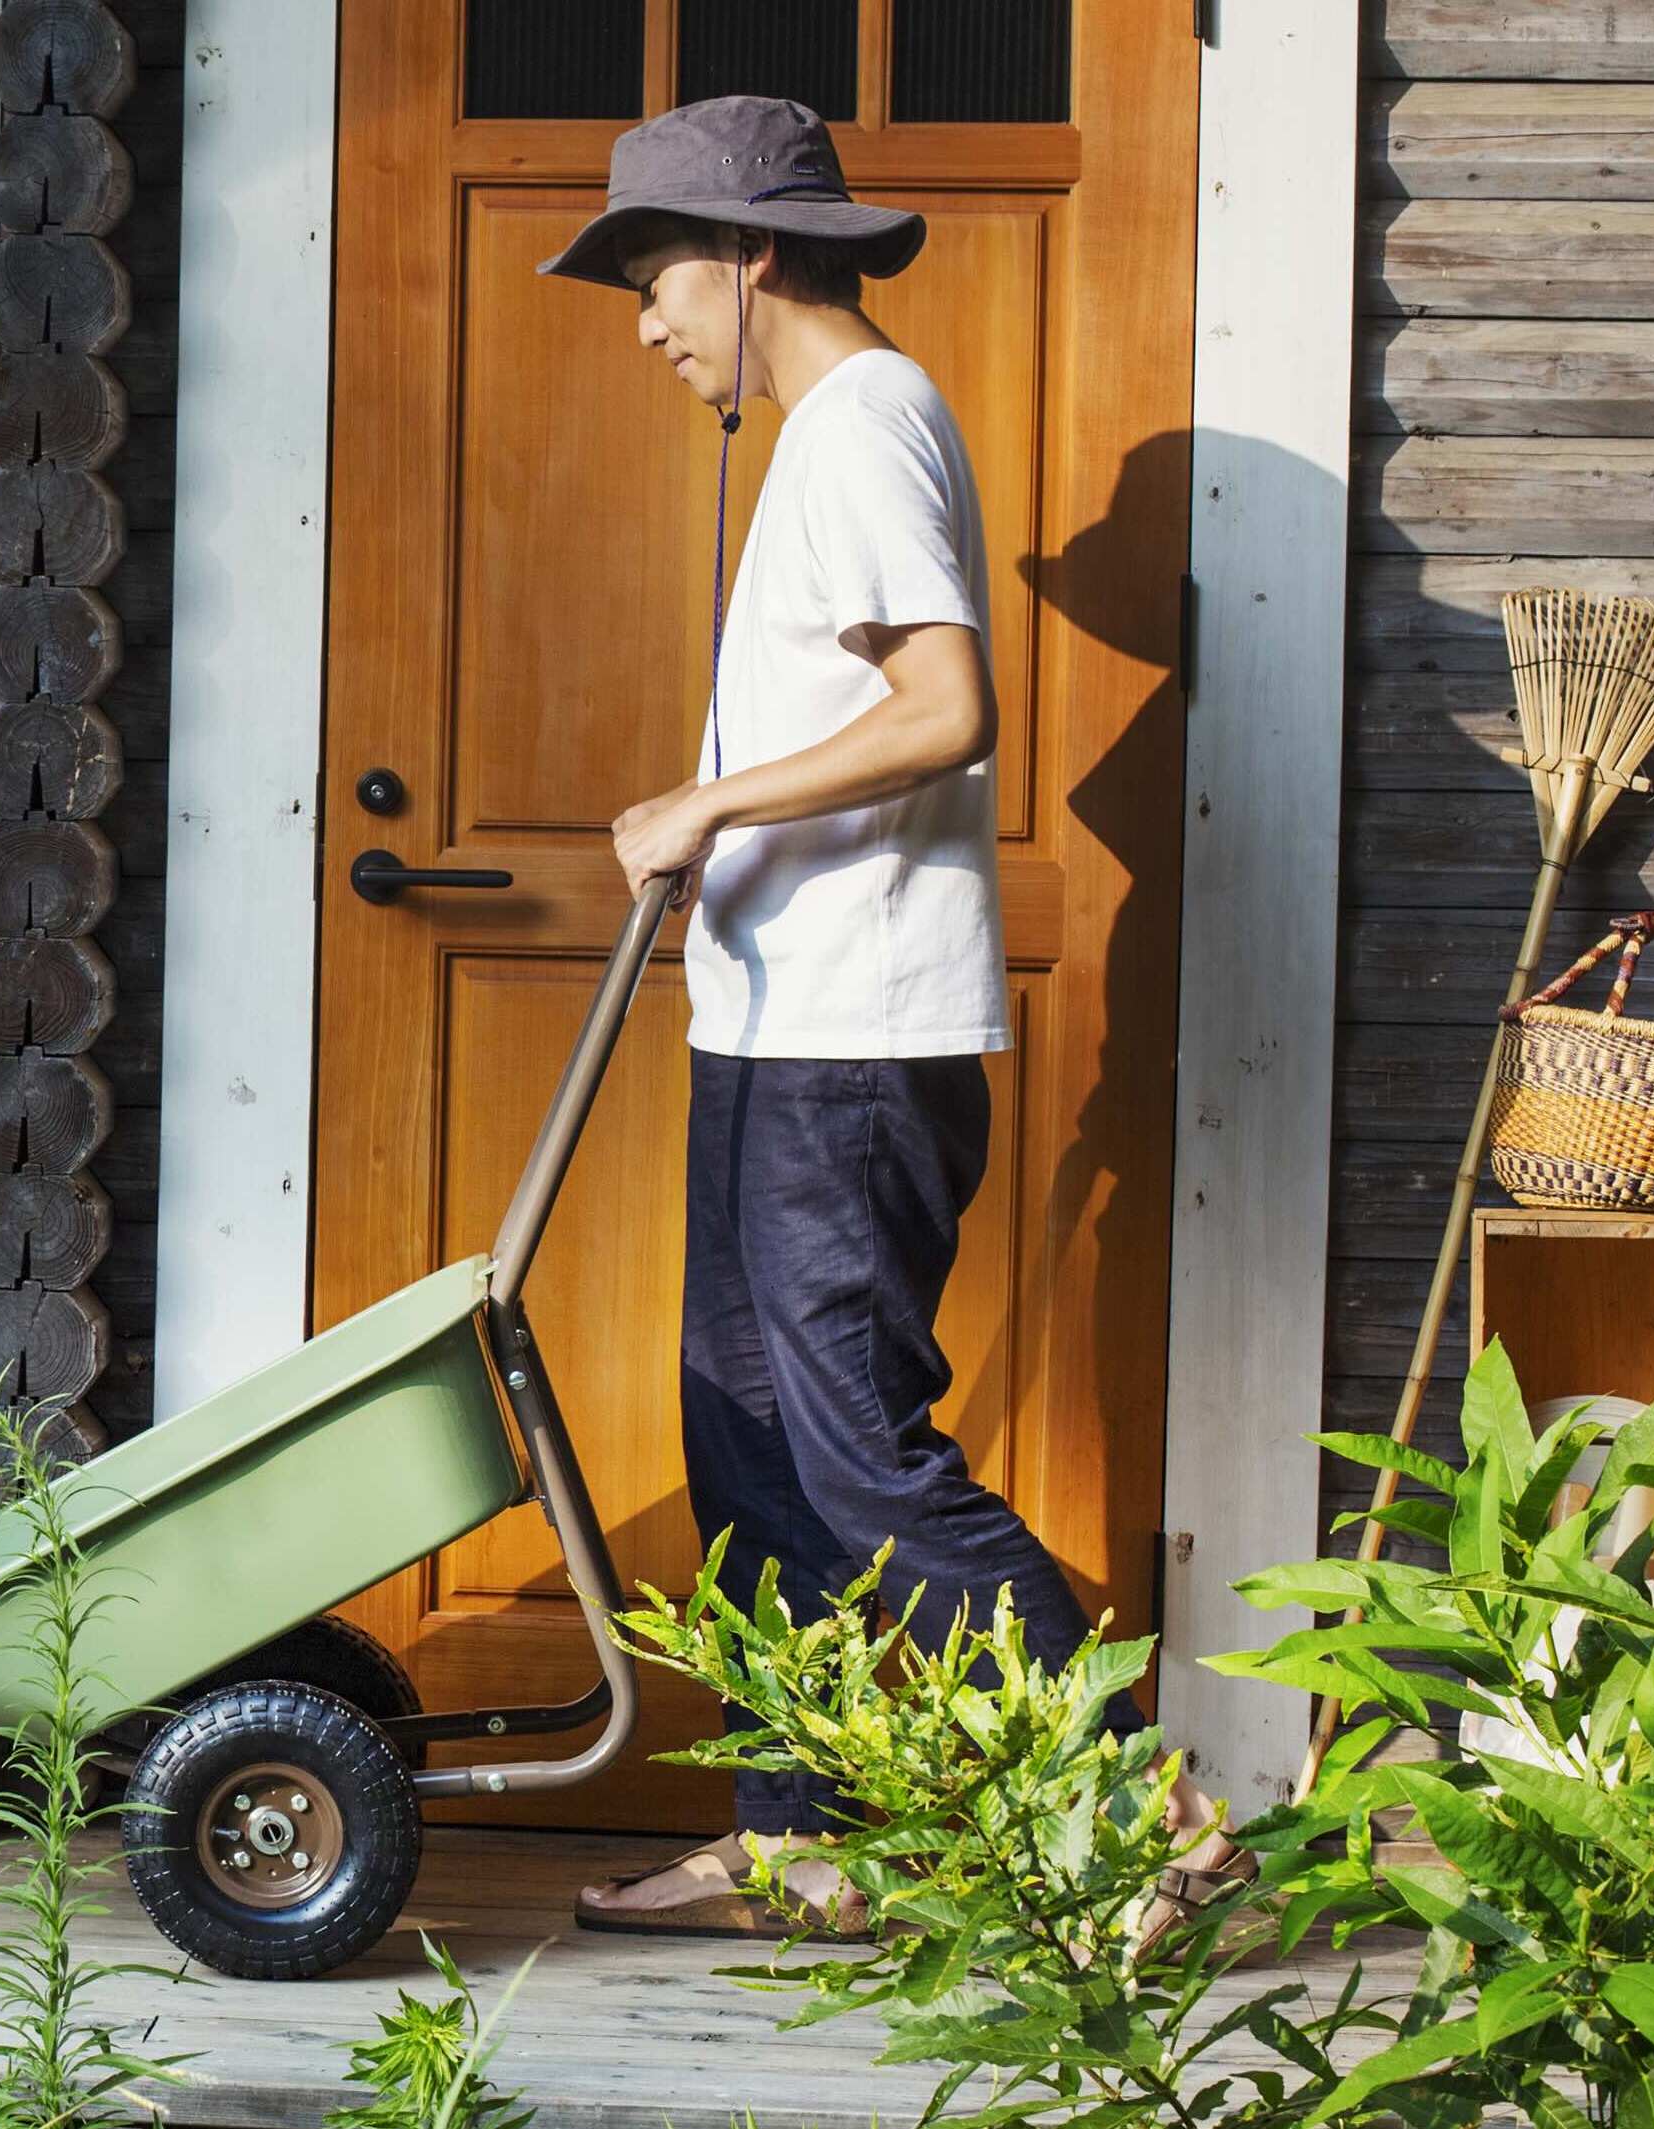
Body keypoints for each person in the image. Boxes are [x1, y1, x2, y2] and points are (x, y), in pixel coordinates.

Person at [532, 95, 1154, 1939]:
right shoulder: (825, 435)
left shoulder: (865, 424)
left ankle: (1143, 1825)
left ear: (753, 256)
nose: (647, 323)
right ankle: (803, 1834)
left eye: (656, 280)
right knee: (740, 1437)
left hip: (850, 1046)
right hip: (775, 1029)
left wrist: (711, 804)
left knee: (859, 1453)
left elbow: (946, 707)